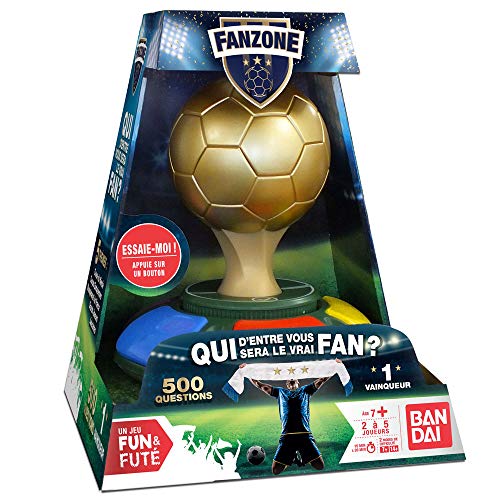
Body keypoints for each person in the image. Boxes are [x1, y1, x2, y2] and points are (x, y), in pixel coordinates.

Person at [242, 359, 344, 475]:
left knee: (320, 466)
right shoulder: (280, 392)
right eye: (289, 379)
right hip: (287, 436)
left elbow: (322, 380)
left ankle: (301, 455)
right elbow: (260, 385)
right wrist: (247, 371)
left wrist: (335, 366)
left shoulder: (306, 390)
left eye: (294, 378)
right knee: (275, 470)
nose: (291, 379)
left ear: (298, 382)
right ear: (286, 383)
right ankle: (292, 457)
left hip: (305, 434)